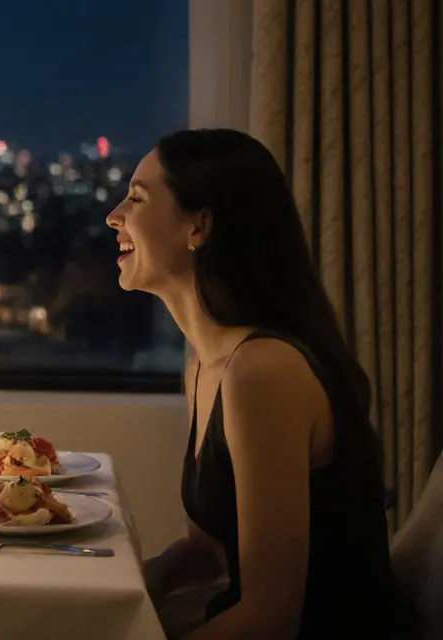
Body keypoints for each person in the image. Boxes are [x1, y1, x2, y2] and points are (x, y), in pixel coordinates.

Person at [105, 129, 415, 639]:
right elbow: (206, 554)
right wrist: (124, 587)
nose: (114, 215)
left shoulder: (262, 371)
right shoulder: (206, 366)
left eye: (137, 198)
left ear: (199, 226)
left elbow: (270, 619)